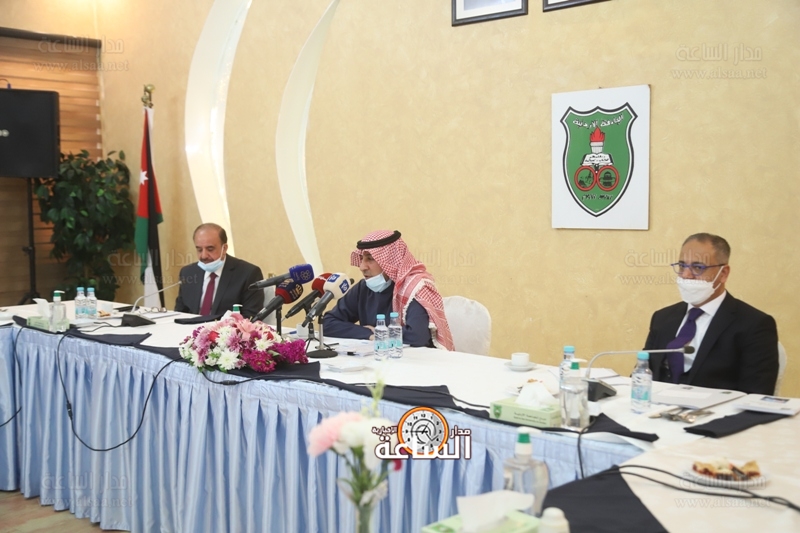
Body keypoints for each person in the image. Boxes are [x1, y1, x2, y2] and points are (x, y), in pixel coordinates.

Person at [643, 233, 778, 395]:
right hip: (656, 407)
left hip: (715, 409)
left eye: (697, 267)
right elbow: (641, 376)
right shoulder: (662, 318)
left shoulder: (755, 324)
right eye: (682, 266)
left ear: (723, 273)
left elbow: (756, 394)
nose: (686, 275)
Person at [322, 230, 454, 350]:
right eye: (362, 259)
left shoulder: (414, 288)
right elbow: (328, 324)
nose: (362, 267)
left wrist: (379, 334)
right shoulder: (364, 288)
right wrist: (367, 333)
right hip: (380, 359)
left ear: (390, 261)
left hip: (418, 362)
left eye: (370, 259)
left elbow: (417, 336)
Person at [174, 223, 265, 318]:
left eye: (210, 249)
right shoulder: (187, 273)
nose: (204, 256)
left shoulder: (248, 273)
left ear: (224, 248)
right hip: (191, 327)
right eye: (199, 250)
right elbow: (180, 314)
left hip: (225, 327)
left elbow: (250, 317)